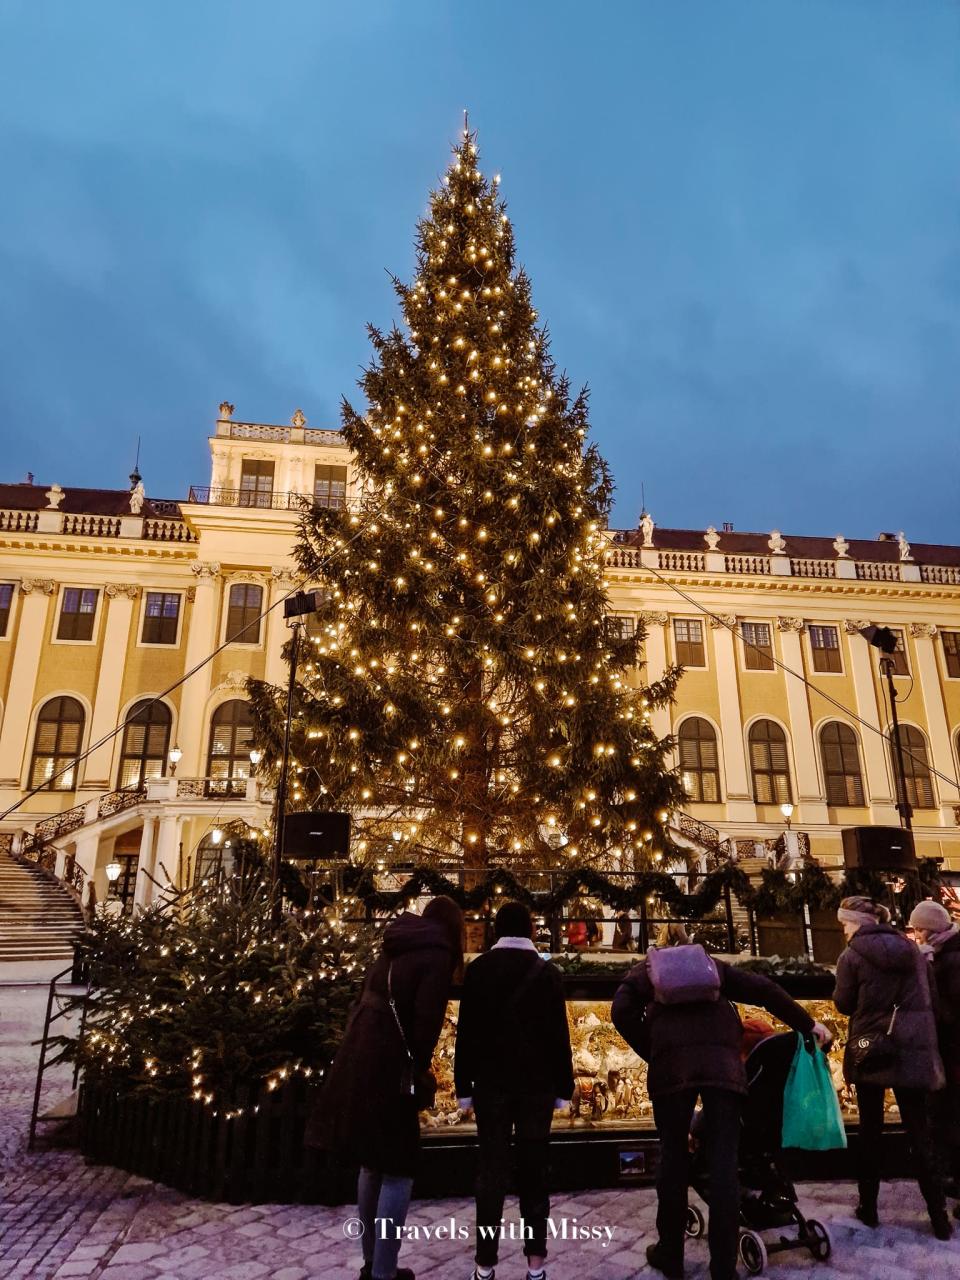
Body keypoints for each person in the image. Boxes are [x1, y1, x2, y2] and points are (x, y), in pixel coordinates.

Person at [612, 942, 829, 1280]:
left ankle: (670, 1253)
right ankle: (723, 1267)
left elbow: (620, 1011)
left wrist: (653, 1050)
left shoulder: (645, 973)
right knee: (724, 1164)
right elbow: (765, 989)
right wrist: (807, 1024)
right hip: (723, 1067)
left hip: (671, 1069)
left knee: (672, 1159)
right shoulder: (713, 968)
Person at [304, 896, 464, 1280]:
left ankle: (372, 1263)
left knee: (372, 1164)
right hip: (391, 1066)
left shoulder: (396, 944)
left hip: (360, 1056)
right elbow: (425, 1025)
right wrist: (419, 1070)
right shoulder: (437, 955)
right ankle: (384, 1272)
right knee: (398, 1167)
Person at [455, 901, 574, 1280]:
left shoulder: (479, 971)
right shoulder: (547, 973)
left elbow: (466, 1034)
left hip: (491, 1086)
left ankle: (484, 1264)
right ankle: (535, 1265)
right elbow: (560, 1036)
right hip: (537, 1088)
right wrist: (564, 1086)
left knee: (491, 1173)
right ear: (531, 930)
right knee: (534, 1173)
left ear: (496, 930)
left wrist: (463, 1086)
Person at [833, 895, 951, 1239]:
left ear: (856, 922)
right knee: (919, 1132)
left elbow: (843, 1004)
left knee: (870, 1131)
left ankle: (868, 1208)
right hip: (912, 1052)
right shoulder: (913, 951)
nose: (843, 928)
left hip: (874, 1052)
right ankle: (938, 1216)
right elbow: (930, 997)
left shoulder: (852, 955)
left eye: (844, 922)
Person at [909, 898, 960, 1218]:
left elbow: (949, 1013)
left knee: (953, 1117)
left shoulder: (952, 960)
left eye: (918, 930)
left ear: (930, 930)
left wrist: (926, 972)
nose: (916, 936)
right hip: (952, 1053)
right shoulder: (949, 952)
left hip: (955, 1053)